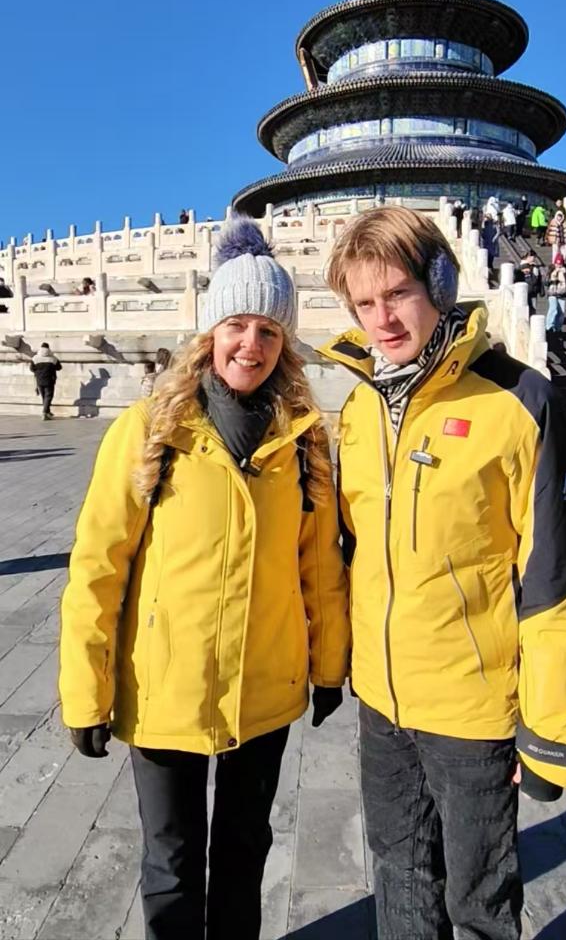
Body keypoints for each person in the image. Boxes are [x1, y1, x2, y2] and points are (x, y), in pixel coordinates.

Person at [58, 216, 350, 940]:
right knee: (172, 858)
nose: (251, 344)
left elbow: (319, 566)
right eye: (237, 325)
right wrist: (86, 691)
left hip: (264, 683)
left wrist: (327, 668)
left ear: (285, 345)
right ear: (210, 332)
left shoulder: (303, 440)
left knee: (245, 852)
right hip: (166, 683)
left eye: (269, 331)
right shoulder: (150, 429)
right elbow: (98, 565)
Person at [319, 206, 566, 940]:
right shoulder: (359, 407)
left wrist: (551, 732)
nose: (382, 320)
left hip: (473, 711)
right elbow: (351, 555)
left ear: (440, 284)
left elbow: (559, 580)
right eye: (364, 303)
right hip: (382, 703)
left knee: (479, 904)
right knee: (399, 878)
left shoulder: (521, 402)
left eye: (397, 294)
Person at [29, 342, 62, 420]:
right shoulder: (53, 359)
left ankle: (47, 411)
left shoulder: (35, 358)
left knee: (44, 396)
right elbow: (59, 367)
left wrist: (38, 371)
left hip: (39, 380)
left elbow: (31, 369)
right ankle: (44, 412)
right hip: (50, 380)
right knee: (49, 396)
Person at [545, 252, 566, 337]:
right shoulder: (551, 270)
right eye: (557, 264)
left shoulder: (565, 270)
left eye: (560, 264)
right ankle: (549, 326)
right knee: (553, 309)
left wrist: (565, 273)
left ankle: (558, 327)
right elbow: (546, 282)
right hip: (552, 292)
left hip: (562, 293)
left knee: (561, 312)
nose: (558, 266)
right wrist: (553, 275)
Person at [515, 252, 544, 316]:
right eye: (533, 257)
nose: (534, 258)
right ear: (528, 257)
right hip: (530, 290)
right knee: (532, 308)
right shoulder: (526, 267)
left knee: (528, 307)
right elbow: (535, 280)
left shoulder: (521, 267)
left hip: (528, 290)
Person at [481, 214, 500, 282]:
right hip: (486, 242)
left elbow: (498, 232)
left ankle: (491, 270)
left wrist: (494, 238)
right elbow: (482, 231)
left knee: (491, 256)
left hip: (492, 242)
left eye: (487, 218)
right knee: (487, 256)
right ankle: (489, 270)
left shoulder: (494, 224)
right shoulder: (484, 224)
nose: (486, 219)